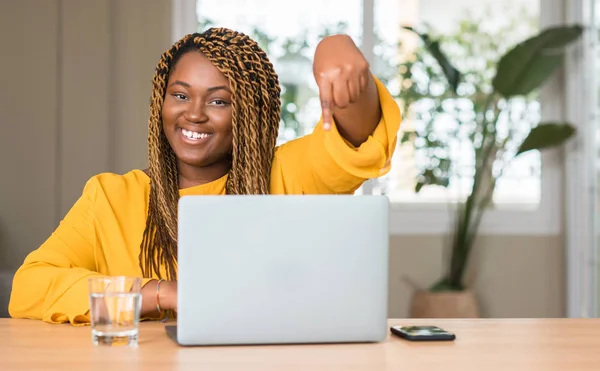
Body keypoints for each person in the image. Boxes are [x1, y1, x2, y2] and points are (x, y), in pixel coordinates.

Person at [8, 27, 401, 325]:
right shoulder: (111, 196)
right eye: (180, 95)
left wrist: (336, 52)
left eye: (219, 101)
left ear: (250, 112)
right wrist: (160, 294)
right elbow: (30, 288)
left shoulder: (288, 174)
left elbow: (357, 136)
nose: (193, 114)